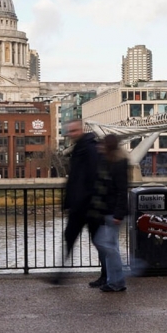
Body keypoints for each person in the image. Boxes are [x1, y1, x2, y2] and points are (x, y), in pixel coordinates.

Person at [51, 119, 104, 286]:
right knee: (71, 237)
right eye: (69, 131)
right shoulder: (80, 148)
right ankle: (60, 275)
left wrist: (87, 199)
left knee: (98, 241)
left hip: (87, 205)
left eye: (73, 131)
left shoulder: (89, 148)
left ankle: (109, 274)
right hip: (79, 205)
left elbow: (91, 177)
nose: (70, 134)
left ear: (81, 130)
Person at [88, 134, 129, 292]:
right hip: (108, 211)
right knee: (109, 246)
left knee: (106, 245)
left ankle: (117, 281)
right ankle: (115, 280)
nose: (100, 147)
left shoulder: (118, 164)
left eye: (102, 145)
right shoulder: (107, 161)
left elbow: (121, 190)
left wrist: (118, 214)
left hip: (113, 213)